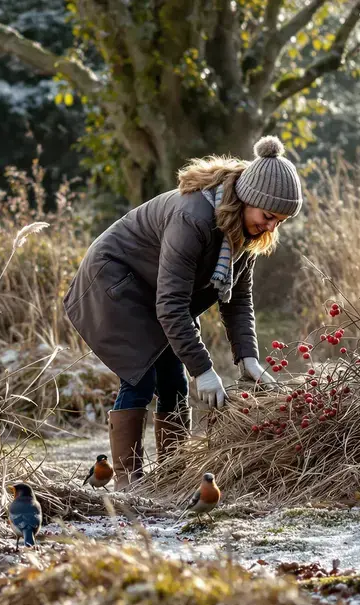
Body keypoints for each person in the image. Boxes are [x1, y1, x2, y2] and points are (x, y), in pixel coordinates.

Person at [64, 136, 300, 489]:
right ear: (247, 198)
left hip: (156, 291)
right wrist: (203, 369)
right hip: (115, 282)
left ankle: (171, 476)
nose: (271, 228)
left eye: (280, 221)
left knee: (174, 381)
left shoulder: (243, 233)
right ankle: (129, 483)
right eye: (268, 216)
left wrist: (248, 358)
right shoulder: (192, 218)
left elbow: (238, 299)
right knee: (140, 377)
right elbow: (172, 304)